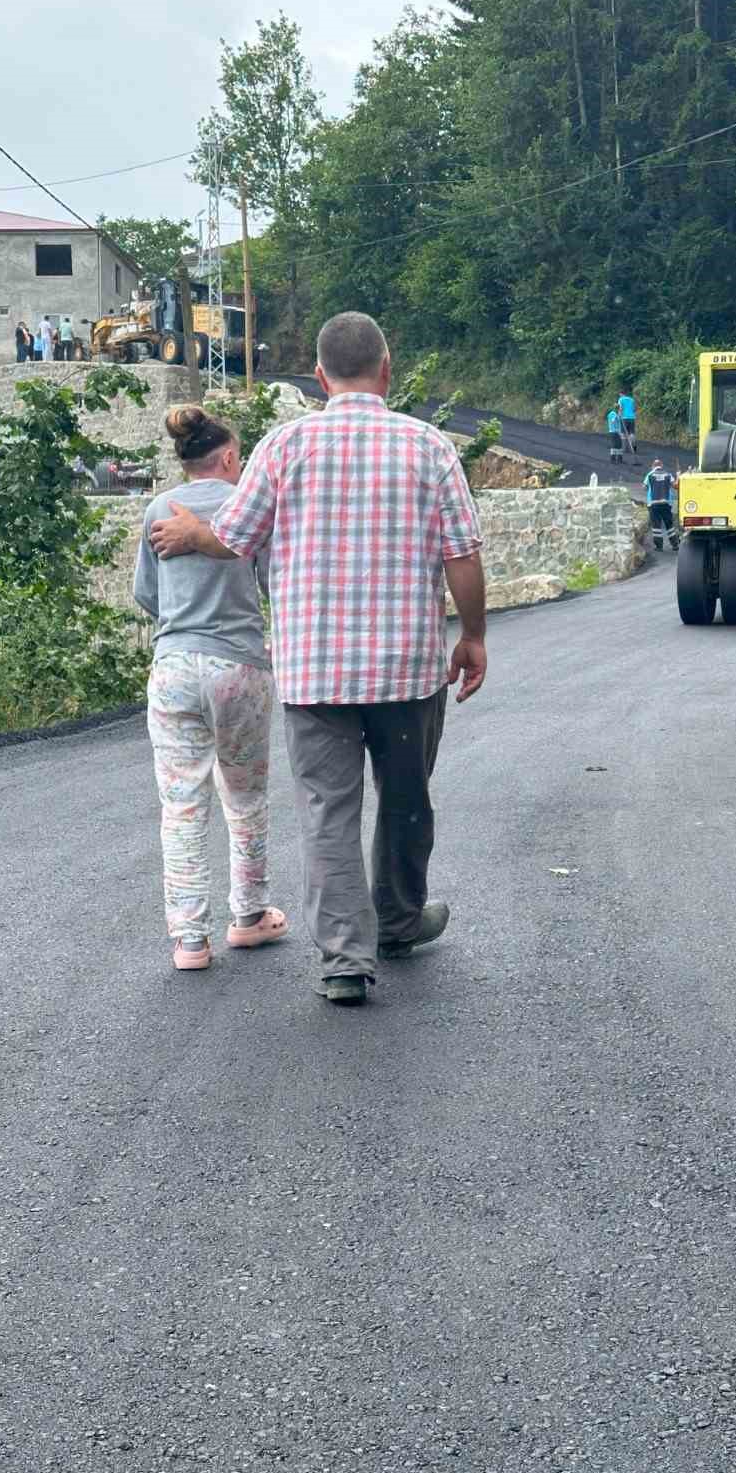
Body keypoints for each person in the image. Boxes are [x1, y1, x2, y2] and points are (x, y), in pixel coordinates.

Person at [149, 311, 486, 1007]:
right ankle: (397, 920)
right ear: (387, 371)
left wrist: (190, 531)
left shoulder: (283, 445)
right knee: (405, 799)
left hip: (313, 670)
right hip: (407, 668)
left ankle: (343, 960)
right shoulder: (428, 446)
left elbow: (236, 540)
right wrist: (474, 637)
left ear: (322, 378)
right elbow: (462, 555)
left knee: (328, 809)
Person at [133, 404, 288, 973]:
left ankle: (189, 940)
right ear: (227, 458)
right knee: (244, 798)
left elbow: (147, 596)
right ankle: (249, 918)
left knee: (181, 806)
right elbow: (273, 583)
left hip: (174, 668)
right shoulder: (248, 508)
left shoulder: (157, 509)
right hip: (239, 670)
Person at [643, 459, 681, 551]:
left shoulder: (650, 475)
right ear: (661, 465)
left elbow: (644, 487)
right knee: (669, 525)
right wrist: (678, 476)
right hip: (666, 503)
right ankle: (675, 545)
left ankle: (659, 546)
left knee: (656, 526)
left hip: (653, 504)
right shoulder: (668, 475)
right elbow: (676, 486)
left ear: (653, 466)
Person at [617, 388, 639, 463]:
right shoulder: (631, 399)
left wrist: (619, 414)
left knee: (623, 433)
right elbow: (634, 409)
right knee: (632, 433)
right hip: (632, 418)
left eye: (619, 394)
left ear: (621, 394)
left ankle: (625, 448)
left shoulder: (621, 399)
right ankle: (634, 446)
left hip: (624, 418)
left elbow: (621, 408)